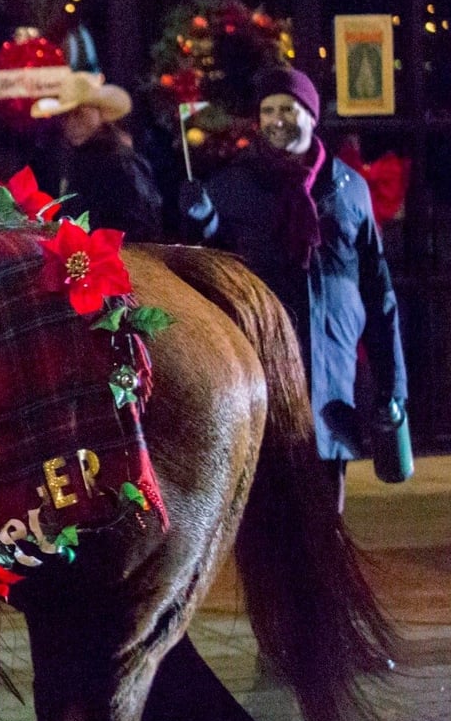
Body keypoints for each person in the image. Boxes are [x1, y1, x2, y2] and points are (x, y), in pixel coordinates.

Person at [179, 67, 407, 513]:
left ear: (311, 115)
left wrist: (392, 383)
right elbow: (210, 268)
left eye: (289, 108)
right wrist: (203, 220)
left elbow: (378, 291)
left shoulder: (349, 187)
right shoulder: (231, 185)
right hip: (263, 364)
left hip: (331, 375)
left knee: (326, 517)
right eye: (268, 110)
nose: (277, 119)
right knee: (270, 515)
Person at [29, 72, 163, 241]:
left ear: (99, 113)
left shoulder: (120, 162)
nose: (71, 123)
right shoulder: (68, 160)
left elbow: (141, 226)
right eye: (65, 116)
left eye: (79, 113)